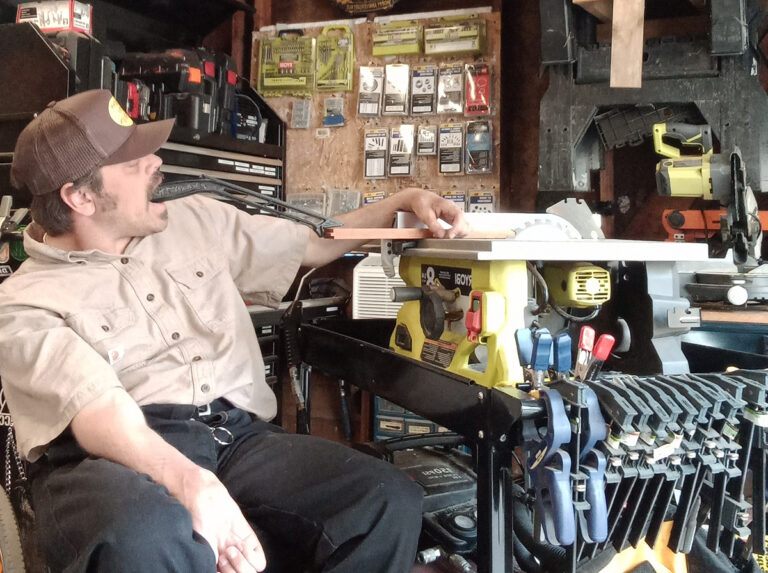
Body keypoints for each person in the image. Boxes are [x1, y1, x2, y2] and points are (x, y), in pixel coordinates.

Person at [0, 89, 469, 573]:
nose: (155, 163)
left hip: (233, 435)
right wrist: (193, 485)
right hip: (110, 458)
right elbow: (100, 411)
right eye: (133, 161)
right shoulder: (23, 303)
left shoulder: (195, 220)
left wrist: (402, 202)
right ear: (80, 197)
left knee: (383, 498)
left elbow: (310, 243)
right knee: (143, 537)